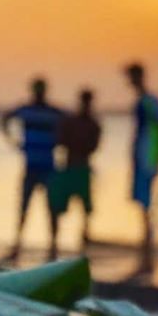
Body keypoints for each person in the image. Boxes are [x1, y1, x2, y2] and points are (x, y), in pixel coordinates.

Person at [0, 77, 64, 260]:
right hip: (31, 166)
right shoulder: (26, 110)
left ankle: (53, 249)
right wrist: (13, 141)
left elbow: (70, 123)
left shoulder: (54, 112)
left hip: (49, 166)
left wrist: (61, 142)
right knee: (23, 208)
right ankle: (17, 246)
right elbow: (5, 118)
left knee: (51, 208)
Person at [124, 62, 158, 273]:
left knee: (146, 203)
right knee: (143, 203)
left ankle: (148, 250)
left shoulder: (150, 102)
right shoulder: (143, 101)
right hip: (142, 158)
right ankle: (146, 249)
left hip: (147, 158)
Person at [51, 88, 102, 247]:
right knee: (59, 207)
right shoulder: (72, 121)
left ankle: (84, 239)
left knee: (85, 208)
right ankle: (54, 244)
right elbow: (61, 140)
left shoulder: (93, 124)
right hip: (70, 168)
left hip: (81, 168)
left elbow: (93, 146)